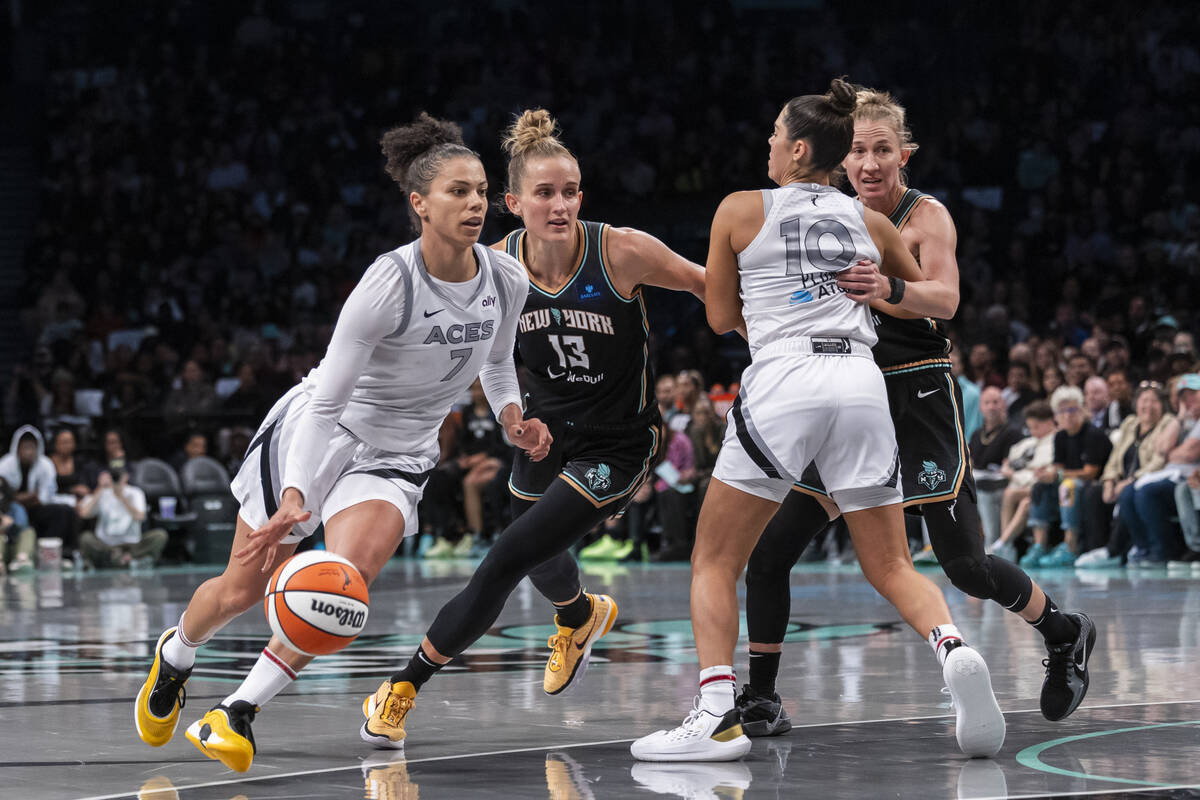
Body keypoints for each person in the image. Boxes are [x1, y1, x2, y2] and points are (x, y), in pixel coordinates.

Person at [133, 113, 551, 772]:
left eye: (480, 190)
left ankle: (236, 711)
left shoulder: (507, 278)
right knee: (243, 588)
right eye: (457, 192)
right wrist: (297, 494)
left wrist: (510, 414)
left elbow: (498, 360)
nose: (474, 204)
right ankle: (177, 655)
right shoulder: (390, 284)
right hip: (323, 433)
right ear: (420, 204)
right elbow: (327, 400)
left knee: (341, 586)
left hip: (399, 453)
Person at [632, 79, 1006, 763]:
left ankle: (717, 713)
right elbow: (924, 300)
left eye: (775, 135)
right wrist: (883, 289)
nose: (768, 145)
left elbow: (718, 318)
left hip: (787, 378)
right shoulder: (869, 221)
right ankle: (954, 650)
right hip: (862, 383)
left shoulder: (741, 209)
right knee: (892, 562)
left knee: (715, 558)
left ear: (798, 147)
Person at [733, 85, 1094, 753]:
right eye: (857, 151)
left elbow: (948, 299)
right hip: (849, 396)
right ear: (840, 158)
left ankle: (1063, 631)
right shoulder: (827, 213)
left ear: (904, 153)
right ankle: (760, 697)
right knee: (771, 551)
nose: (868, 163)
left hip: (918, 393)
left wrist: (890, 289)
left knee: (963, 565)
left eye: (881, 150)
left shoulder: (925, 216)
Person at [359, 108, 707, 749]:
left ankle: (402, 687)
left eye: (570, 191)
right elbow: (484, 359)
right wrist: (513, 417)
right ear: (513, 203)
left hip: (618, 441)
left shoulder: (621, 251)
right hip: (544, 433)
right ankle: (578, 616)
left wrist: (777, 347)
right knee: (533, 547)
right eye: (544, 193)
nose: (561, 204)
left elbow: (712, 289)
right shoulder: (493, 266)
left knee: (507, 558)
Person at [1076, 381, 1175, 567]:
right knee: (1093, 492)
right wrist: (1108, 480)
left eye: (1154, 401)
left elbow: (1159, 461)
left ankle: (1118, 549)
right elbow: (1115, 456)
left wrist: (1130, 480)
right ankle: (1098, 548)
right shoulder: (1130, 424)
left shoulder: (1167, 423)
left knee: (1128, 492)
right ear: (1136, 403)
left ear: (1162, 404)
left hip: (1147, 478)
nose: (1148, 406)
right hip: (1123, 479)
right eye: (1144, 401)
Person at [1021, 386, 1113, 567]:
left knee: (1068, 486)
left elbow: (1090, 472)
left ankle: (1071, 545)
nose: (1067, 416)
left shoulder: (1093, 434)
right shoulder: (1060, 436)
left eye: (1072, 410)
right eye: (1062, 412)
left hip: (1092, 485)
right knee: (1039, 486)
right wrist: (1046, 475)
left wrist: (1058, 475)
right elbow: (1058, 468)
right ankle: (1040, 544)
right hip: (1068, 483)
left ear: (1081, 410)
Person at [78, 468, 169, 568]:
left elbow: (140, 517)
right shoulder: (102, 493)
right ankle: (127, 560)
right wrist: (99, 488)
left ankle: (121, 559)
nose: (116, 479)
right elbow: (83, 514)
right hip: (107, 545)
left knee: (159, 536)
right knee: (85, 538)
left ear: (126, 477)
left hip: (132, 543)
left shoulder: (135, 492)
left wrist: (122, 498)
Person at [970, 387, 1026, 546]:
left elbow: (1015, 465)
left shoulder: (1013, 433)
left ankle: (992, 544)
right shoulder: (976, 434)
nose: (991, 407)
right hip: (979, 483)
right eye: (987, 403)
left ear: (1003, 405)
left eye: (996, 402)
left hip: (1003, 484)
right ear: (981, 407)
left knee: (984, 492)